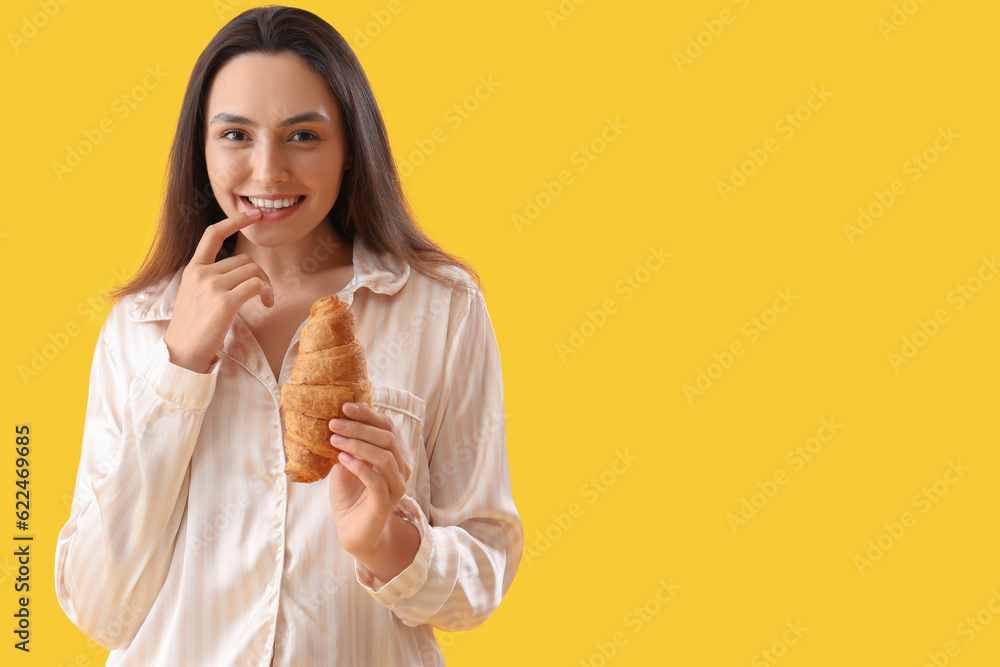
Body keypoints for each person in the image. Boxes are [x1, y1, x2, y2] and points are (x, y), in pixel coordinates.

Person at [54, 6, 522, 665]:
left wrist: (386, 546)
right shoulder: (140, 326)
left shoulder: (440, 308)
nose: (268, 171)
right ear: (201, 148)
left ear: (350, 147)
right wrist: (180, 368)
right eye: (236, 135)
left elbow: (483, 571)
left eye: (302, 136)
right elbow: (101, 607)